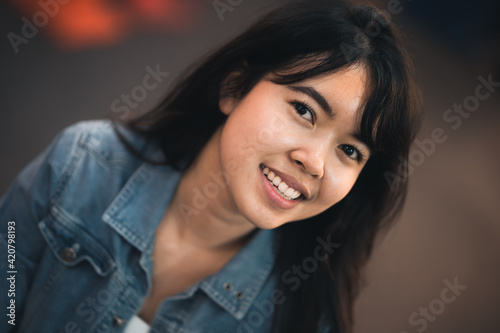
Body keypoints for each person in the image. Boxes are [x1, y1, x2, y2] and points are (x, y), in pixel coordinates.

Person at [0, 0, 422, 332]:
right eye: (304, 110)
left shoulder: (300, 315)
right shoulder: (82, 165)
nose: (313, 162)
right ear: (235, 88)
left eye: (351, 151)